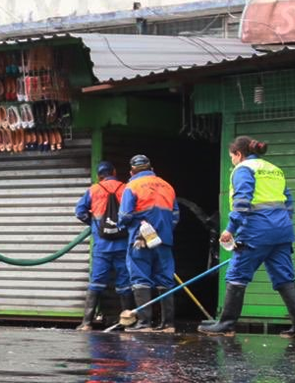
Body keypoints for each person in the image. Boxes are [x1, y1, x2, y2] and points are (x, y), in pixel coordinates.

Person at [200, 136, 295, 336]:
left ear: (239, 154)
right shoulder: (274, 169)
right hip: (282, 232)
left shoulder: (244, 169)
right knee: (285, 278)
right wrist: (280, 222)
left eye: (232, 157)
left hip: (256, 232)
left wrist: (230, 229)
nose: (232, 161)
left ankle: (226, 324)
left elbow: (242, 201)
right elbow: (288, 201)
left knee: (236, 276)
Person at [118, 155, 180, 333]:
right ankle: (168, 324)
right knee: (166, 279)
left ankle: (144, 324)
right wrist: (164, 231)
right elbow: (175, 215)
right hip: (164, 240)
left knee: (140, 278)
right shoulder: (167, 186)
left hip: (140, 239)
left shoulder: (132, 186)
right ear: (151, 168)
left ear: (131, 171)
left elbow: (125, 216)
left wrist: (123, 226)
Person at [74, 160, 132, 330]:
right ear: (114, 172)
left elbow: (80, 212)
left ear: (99, 176)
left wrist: (94, 225)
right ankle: (127, 322)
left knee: (97, 281)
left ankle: (86, 323)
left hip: (102, 244)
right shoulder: (125, 188)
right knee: (125, 282)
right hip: (123, 243)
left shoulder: (93, 190)